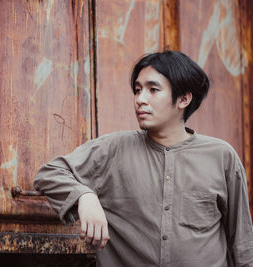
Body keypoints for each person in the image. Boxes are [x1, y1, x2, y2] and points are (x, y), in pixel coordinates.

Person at [33, 51, 253, 266]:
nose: (140, 99)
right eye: (137, 90)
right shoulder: (113, 150)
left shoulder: (221, 156)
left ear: (184, 98)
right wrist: (85, 197)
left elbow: (243, 245)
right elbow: (49, 174)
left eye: (153, 90)